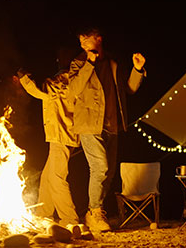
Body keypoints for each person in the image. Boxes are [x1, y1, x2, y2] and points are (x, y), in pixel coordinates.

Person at [68, 27, 146, 232]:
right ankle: (94, 211)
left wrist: (137, 70)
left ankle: (95, 212)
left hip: (113, 125)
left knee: (109, 173)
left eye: (86, 40)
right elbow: (74, 90)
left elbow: (129, 89)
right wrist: (89, 64)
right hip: (89, 125)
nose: (83, 44)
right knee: (100, 168)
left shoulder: (113, 62)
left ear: (99, 39)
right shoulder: (78, 62)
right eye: (81, 41)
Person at [16, 61, 81, 230]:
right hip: (62, 135)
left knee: (57, 178)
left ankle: (70, 219)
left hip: (62, 135)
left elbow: (40, 92)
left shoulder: (61, 83)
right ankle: (44, 215)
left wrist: (24, 78)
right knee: (47, 177)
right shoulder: (70, 81)